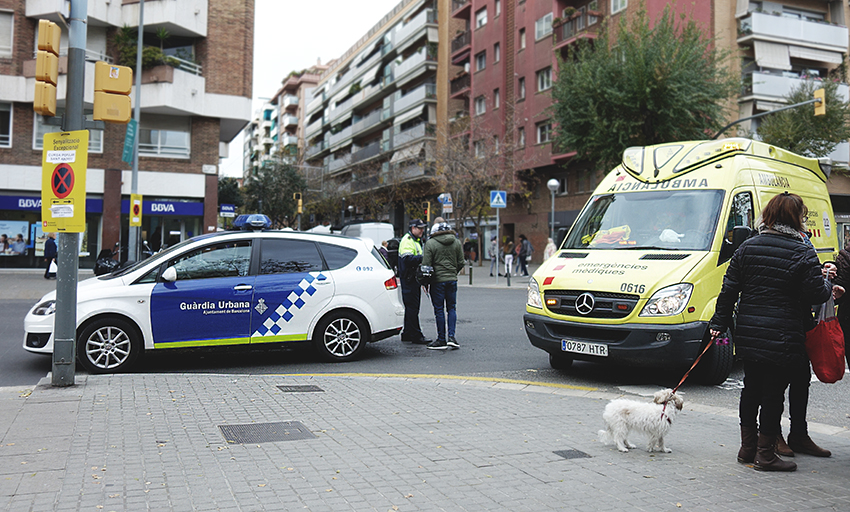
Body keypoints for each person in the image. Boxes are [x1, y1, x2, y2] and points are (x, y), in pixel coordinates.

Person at [709, 192, 842, 472]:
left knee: (751, 389)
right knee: (772, 394)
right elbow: (815, 293)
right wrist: (830, 284)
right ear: (796, 219)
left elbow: (729, 289)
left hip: (748, 330)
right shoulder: (801, 250)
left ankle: (747, 448)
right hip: (783, 333)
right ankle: (766, 455)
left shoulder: (748, 246)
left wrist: (718, 324)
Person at [422, 222, 464, 350]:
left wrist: (425, 282)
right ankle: (452, 337)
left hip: (437, 281)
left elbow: (426, 265)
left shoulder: (431, 243)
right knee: (451, 308)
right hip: (452, 280)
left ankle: (441, 339)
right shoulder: (456, 242)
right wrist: (452, 272)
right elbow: (461, 262)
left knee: (439, 309)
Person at [397, 219, 431, 344]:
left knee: (411, 308)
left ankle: (407, 333)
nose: (422, 230)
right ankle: (416, 335)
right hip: (409, 279)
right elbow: (407, 259)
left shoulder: (416, 240)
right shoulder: (408, 240)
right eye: (419, 228)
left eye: (423, 228)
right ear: (412, 228)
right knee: (413, 308)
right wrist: (423, 258)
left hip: (411, 279)